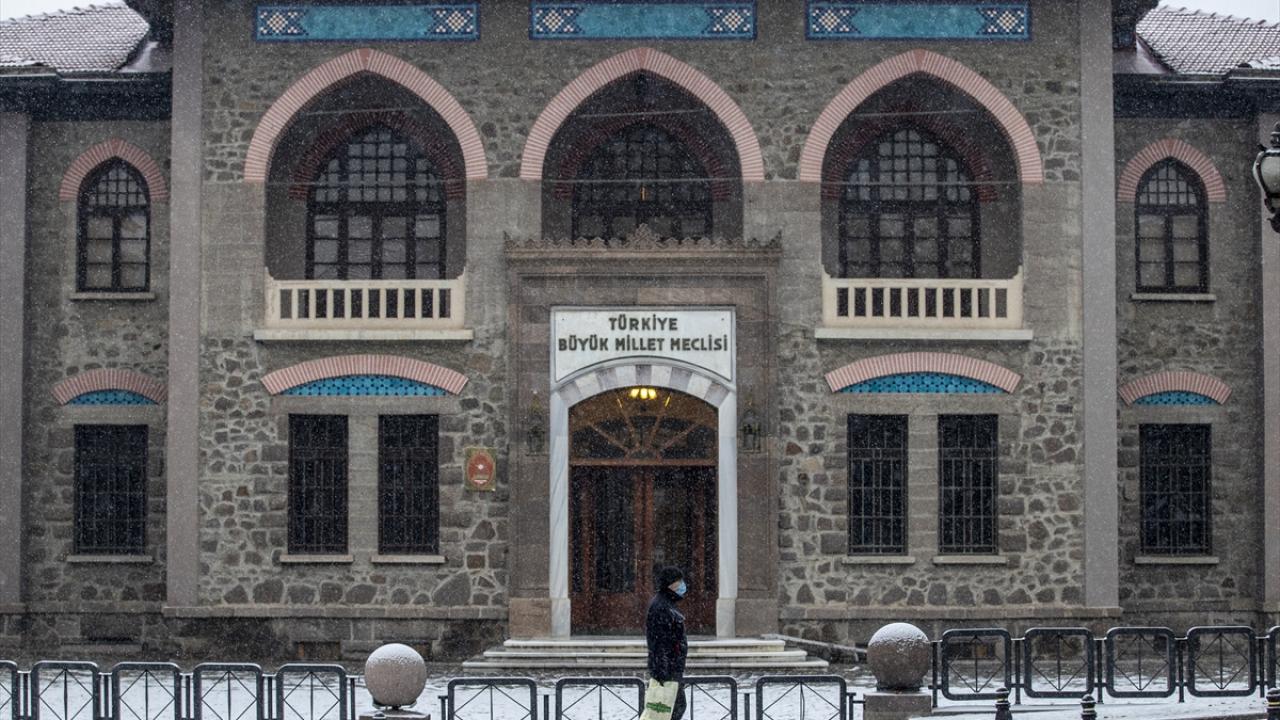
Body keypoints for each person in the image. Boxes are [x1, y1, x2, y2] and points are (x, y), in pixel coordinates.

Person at [643, 566, 689, 720]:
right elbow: (659, 643)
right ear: (671, 585)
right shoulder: (661, 607)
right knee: (671, 710)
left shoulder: (667, 604)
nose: (683, 584)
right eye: (679, 581)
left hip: (671, 667)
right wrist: (662, 673)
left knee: (671, 710)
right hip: (668, 670)